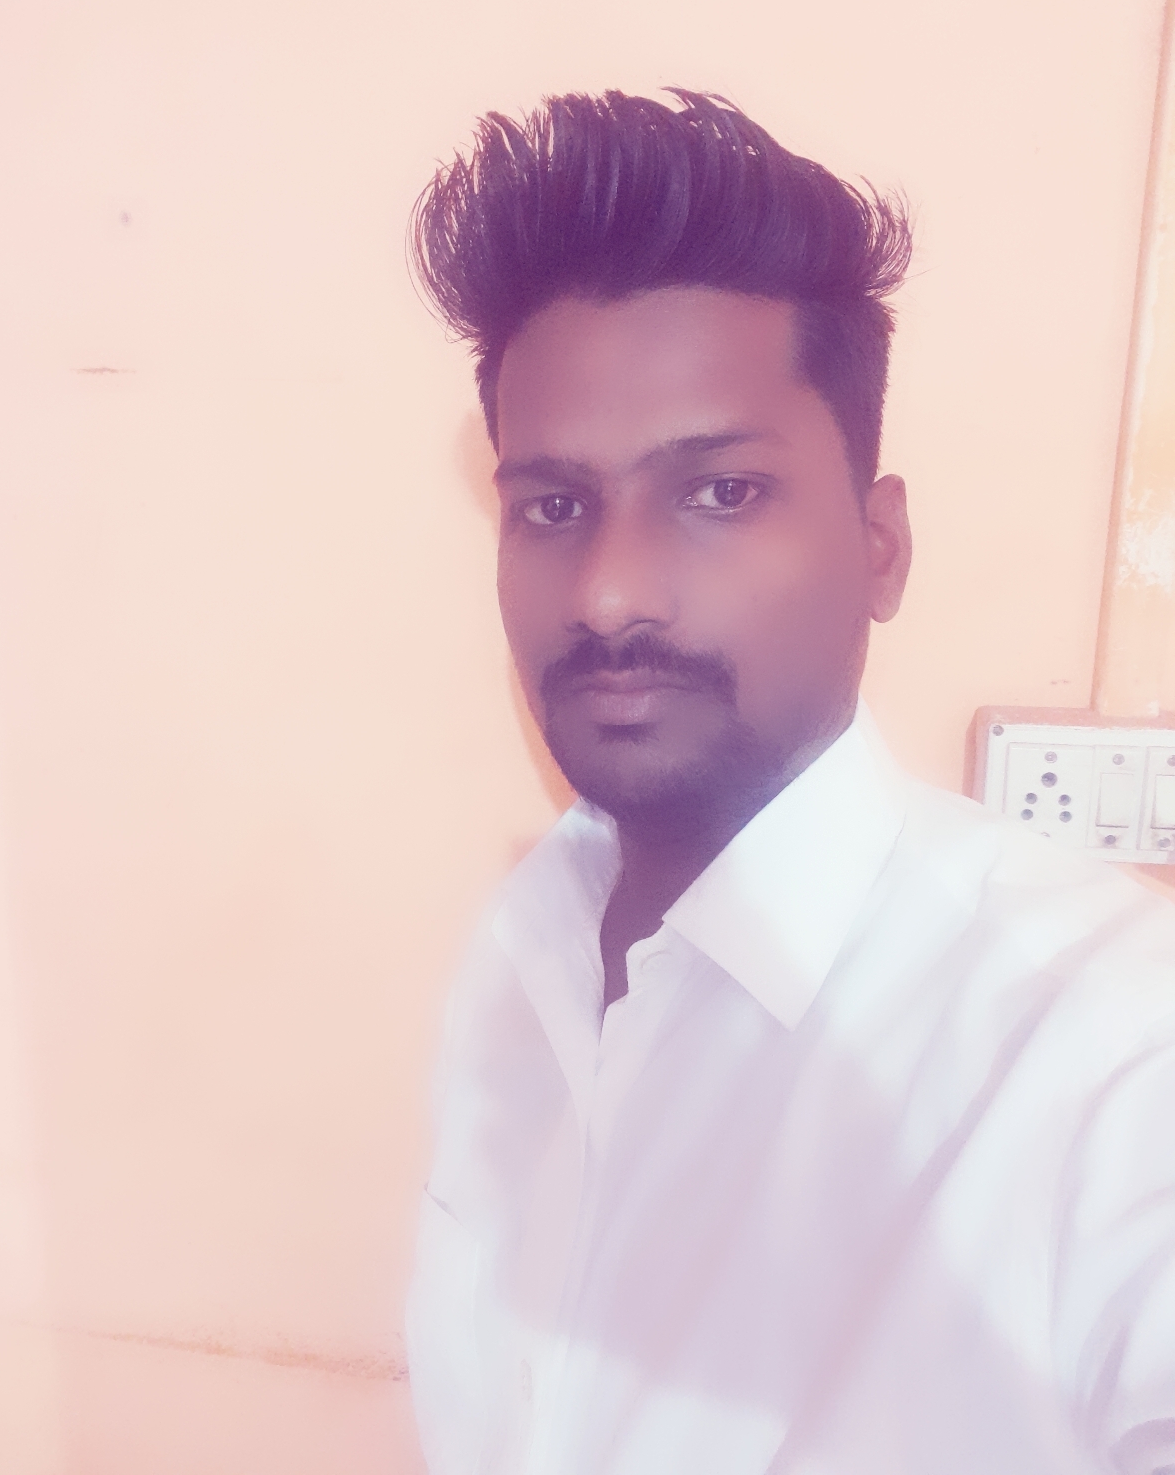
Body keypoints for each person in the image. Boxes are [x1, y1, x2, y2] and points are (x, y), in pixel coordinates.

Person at [403, 89, 1175, 1475]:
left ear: (880, 547)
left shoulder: (1108, 1046)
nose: (610, 590)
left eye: (719, 492)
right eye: (553, 507)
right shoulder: (521, 959)